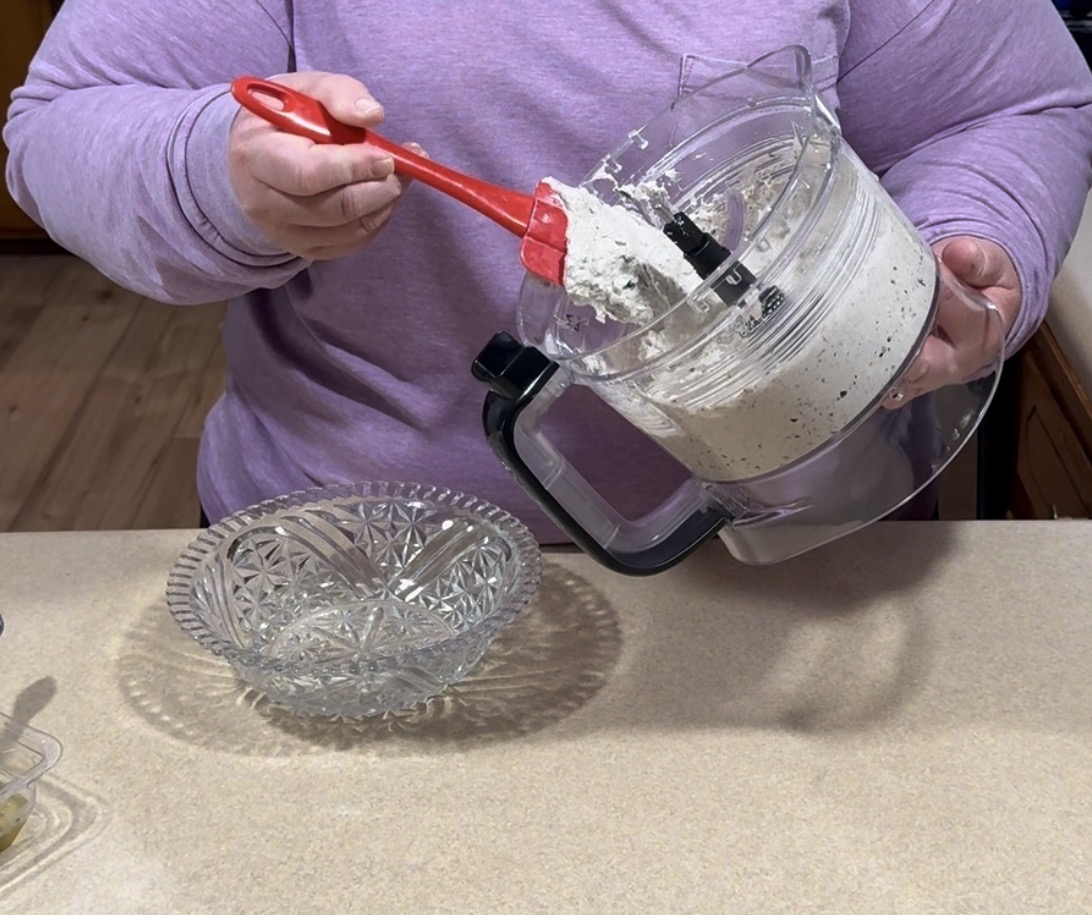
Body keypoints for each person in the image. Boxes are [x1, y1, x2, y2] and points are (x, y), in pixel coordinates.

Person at [5, 0, 1092, 546]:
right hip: (362, 569)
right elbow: (61, 126)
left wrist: (972, 231)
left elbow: (1012, 101)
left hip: (807, 556)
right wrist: (222, 175)